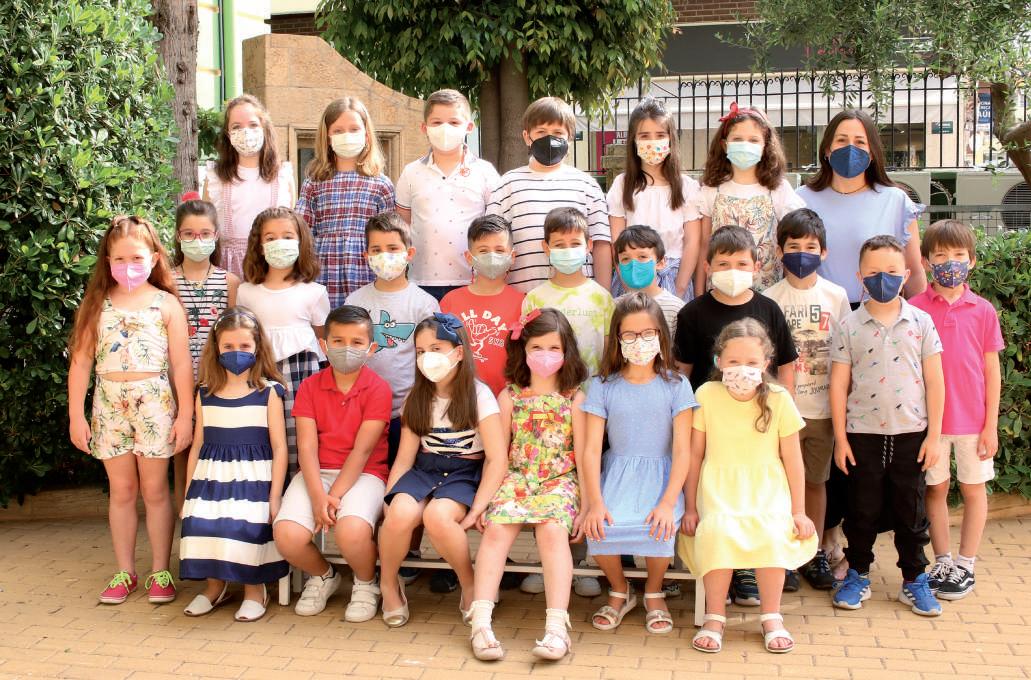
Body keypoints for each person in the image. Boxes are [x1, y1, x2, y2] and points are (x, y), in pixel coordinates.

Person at [67, 215, 193, 605]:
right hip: (108, 405)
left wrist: (185, 415)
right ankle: (124, 571)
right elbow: (81, 362)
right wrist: (76, 415)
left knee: (155, 490)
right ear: (107, 261)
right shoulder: (96, 305)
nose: (128, 266)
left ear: (154, 258)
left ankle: (160, 570)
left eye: (136, 258)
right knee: (121, 490)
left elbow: (181, 364)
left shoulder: (167, 305)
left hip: (154, 404)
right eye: (119, 259)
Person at [674, 224, 798, 604]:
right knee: (719, 500)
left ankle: (747, 572)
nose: (732, 270)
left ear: (756, 266)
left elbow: (786, 366)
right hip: (710, 421)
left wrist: (784, 414)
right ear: (708, 267)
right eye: (723, 263)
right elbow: (682, 372)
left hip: (759, 423)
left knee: (754, 500)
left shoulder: (768, 309)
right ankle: (719, 574)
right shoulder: (693, 313)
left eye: (741, 263)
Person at [679, 319, 817, 654]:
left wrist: (798, 511)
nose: (743, 368)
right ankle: (715, 616)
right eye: (734, 361)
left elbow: (793, 459)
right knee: (716, 532)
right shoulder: (706, 395)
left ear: (766, 363)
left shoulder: (779, 399)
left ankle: (771, 616)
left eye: (752, 362)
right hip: (719, 487)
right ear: (719, 362)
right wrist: (691, 507)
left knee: (773, 532)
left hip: (767, 487)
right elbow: (694, 455)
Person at [829, 235, 945, 616]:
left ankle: (915, 578)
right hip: (862, 435)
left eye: (892, 271)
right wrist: (841, 438)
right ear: (860, 276)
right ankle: (858, 573)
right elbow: (839, 384)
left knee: (911, 512)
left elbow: (935, 382)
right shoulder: (848, 325)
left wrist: (934, 436)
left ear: (907, 275)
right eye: (875, 272)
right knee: (861, 509)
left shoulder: (921, 322)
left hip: (912, 434)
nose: (884, 278)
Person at [467, 308, 589, 662]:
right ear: (523, 349)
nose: (545, 355)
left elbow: (584, 455)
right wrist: (483, 502)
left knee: (552, 531)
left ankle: (556, 628)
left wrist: (585, 505)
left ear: (566, 351)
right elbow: (498, 456)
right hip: (517, 478)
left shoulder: (575, 398)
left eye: (554, 348)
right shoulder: (510, 396)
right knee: (495, 530)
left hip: (559, 480)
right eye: (537, 347)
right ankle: (480, 622)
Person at [378, 314, 507, 628]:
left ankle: (469, 583)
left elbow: (496, 459)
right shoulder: (417, 397)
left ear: (458, 352)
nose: (427, 357)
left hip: (465, 472)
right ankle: (388, 583)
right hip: (426, 468)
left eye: (436, 348)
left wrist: (477, 509)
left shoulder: (479, 395)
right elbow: (405, 458)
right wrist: (388, 498)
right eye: (420, 351)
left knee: (438, 516)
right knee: (399, 513)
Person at [581, 293, 697, 634]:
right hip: (617, 473)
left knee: (658, 526)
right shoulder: (602, 385)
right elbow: (591, 449)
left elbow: (683, 450)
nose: (639, 341)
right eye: (629, 335)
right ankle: (620, 589)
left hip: (662, 474)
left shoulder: (677, 385)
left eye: (647, 333)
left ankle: (654, 590)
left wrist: (667, 501)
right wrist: (595, 502)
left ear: (661, 335)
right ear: (617, 339)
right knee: (600, 528)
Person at [272, 305, 392, 622]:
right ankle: (324, 575)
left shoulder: (378, 389)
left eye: (356, 342)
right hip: (316, 474)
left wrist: (332, 497)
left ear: (371, 348)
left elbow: (362, 452)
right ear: (324, 345)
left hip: (364, 474)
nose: (346, 348)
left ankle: (366, 583)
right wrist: (317, 496)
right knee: (287, 535)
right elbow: (307, 447)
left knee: (351, 531)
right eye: (338, 341)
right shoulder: (310, 386)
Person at [910, 220, 1003, 600]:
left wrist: (990, 425)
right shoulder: (914, 309)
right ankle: (943, 560)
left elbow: (992, 371)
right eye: (941, 255)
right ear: (926, 261)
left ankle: (966, 563)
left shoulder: (983, 311)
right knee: (936, 488)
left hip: (973, 422)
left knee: (973, 489)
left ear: (972, 260)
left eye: (959, 255)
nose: (950, 262)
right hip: (929, 424)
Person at [179, 307, 289, 622]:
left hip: (254, 478)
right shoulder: (205, 392)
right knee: (201, 521)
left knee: (243, 524)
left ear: (257, 348)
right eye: (228, 346)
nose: (236, 352)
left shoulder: (268, 392)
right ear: (216, 348)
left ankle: (255, 590)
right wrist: (188, 492)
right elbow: (197, 445)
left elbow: (280, 447)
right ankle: (216, 587)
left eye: (244, 346)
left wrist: (275, 495)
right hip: (211, 476)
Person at [762, 208, 850, 589]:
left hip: (822, 411)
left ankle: (811, 553)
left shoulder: (836, 296)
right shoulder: (769, 299)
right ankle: (781, 555)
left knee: (815, 482)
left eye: (811, 247)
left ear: (824, 252)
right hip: (781, 412)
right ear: (779, 252)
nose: (802, 253)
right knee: (780, 483)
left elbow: (845, 354)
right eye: (793, 246)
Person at [797, 109, 925, 304]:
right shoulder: (801, 200)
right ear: (827, 149)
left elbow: (914, 273)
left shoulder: (896, 201)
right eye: (841, 140)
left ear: (872, 152)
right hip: (817, 312)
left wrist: (918, 318)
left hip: (877, 313)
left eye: (860, 142)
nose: (850, 148)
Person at [237, 207, 330, 472]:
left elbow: (323, 339)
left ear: (301, 241)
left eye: (288, 237)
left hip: (303, 375)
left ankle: (300, 485)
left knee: (301, 437)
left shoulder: (314, 292)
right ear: (259, 245)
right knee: (264, 434)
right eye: (270, 238)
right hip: (260, 372)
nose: (280, 243)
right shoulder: (246, 292)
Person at [487, 96, 611, 293]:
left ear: (569, 137)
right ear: (527, 137)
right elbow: (492, 242)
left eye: (558, 132)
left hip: (580, 298)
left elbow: (601, 244)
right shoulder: (507, 185)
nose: (550, 138)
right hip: (523, 296)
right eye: (541, 132)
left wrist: (604, 295)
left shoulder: (587, 186)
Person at [396, 89, 500, 301]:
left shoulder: (485, 172)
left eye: (454, 122)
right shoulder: (410, 173)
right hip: (422, 282)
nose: (445, 129)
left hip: (474, 281)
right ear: (424, 127)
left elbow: (496, 225)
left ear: (469, 127)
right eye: (436, 122)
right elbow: (403, 224)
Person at [171, 193, 239, 511]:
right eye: (189, 234)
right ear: (178, 236)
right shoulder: (166, 281)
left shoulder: (230, 282)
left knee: (215, 446)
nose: (197, 240)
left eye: (204, 233)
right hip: (177, 380)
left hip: (217, 379)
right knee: (182, 450)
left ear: (216, 235)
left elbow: (235, 331)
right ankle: (185, 518)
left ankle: (214, 514)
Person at [694, 102, 804, 293]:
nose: (745, 145)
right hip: (720, 292)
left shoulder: (778, 189)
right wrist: (698, 293)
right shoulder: (711, 190)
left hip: (768, 292)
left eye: (753, 140)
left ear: (765, 145)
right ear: (724, 144)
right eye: (737, 139)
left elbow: (789, 243)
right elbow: (704, 244)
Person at [296, 97, 395, 307]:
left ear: (366, 134)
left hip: (366, 269)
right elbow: (303, 232)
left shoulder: (381, 184)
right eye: (338, 130)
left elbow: (390, 236)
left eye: (354, 129)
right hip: (324, 270)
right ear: (327, 137)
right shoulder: (314, 182)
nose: (347, 135)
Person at [607, 97, 701, 299]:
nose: (652, 142)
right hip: (631, 275)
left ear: (671, 138)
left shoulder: (687, 187)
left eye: (660, 135)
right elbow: (616, 240)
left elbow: (692, 241)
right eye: (644, 136)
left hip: (673, 278)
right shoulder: (622, 185)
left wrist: (680, 288)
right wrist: (628, 284)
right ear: (634, 140)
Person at [203, 94, 295, 279]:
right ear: (227, 134)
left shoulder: (282, 174)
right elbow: (206, 225)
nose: (246, 132)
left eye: (253, 125)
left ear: (264, 128)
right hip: (227, 268)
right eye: (237, 127)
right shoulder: (215, 177)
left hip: (271, 266)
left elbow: (291, 224)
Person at [522, 207, 615, 377]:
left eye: (575, 244)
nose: (568, 250)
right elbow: (528, 349)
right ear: (546, 248)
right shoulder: (534, 299)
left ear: (589, 246)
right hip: (549, 389)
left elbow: (610, 352)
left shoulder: (603, 298)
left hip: (593, 389)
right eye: (559, 245)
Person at [440, 214, 525, 396]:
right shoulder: (450, 301)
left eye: (499, 250)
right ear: (469, 257)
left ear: (512, 256)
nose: (492, 256)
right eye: (483, 251)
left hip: (505, 400)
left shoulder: (522, 303)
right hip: (458, 398)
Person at [612, 224, 685, 337]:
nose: (634, 264)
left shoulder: (676, 308)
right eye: (625, 258)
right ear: (619, 266)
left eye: (642, 257)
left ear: (660, 263)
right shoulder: (612, 307)